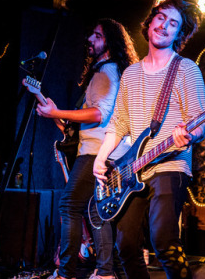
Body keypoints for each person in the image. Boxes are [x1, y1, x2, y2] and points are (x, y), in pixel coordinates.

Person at [93, 0, 205, 279]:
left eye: (173, 24)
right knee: (126, 245)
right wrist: (101, 157)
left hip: (171, 165)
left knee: (164, 240)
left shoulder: (186, 69)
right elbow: (119, 124)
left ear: (179, 34)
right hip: (134, 169)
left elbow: (200, 123)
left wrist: (188, 135)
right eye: (161, 18)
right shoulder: (131, 74)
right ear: (150, 22)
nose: (164, 26)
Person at [37, 18, 138, 279]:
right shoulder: (109, 71)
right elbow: (81, 126)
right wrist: (56, 116)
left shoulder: (107, 72)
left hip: (97, 151)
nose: (90, 40)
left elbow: (98, 115)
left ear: (110, 42)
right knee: (97, 211)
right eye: (91, 35)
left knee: (69, 206)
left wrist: (56, 111)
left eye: (97, 36)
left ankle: (66, 273)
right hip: (103, 149)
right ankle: (106, 271)